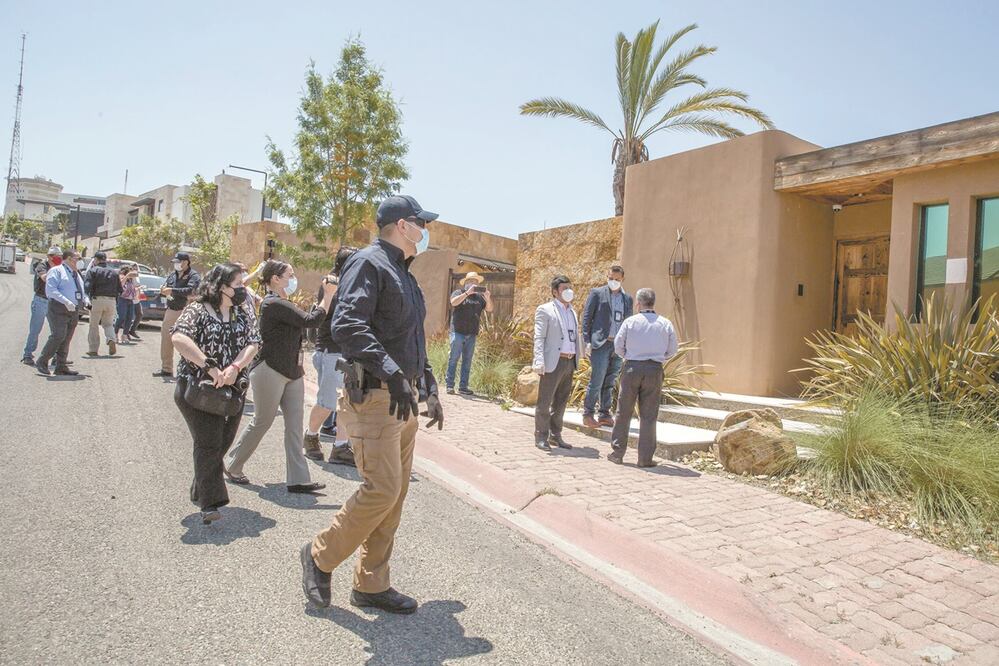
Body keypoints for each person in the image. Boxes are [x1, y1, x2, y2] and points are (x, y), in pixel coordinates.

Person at [300, 194, 444, 613]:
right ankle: (318, 556)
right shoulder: (369, 263)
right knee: (380, 490)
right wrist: (393, 373)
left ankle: (371, 583)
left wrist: (428, 384)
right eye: (421, 222)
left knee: (393, 496)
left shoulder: (404, 274)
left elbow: (410, 339)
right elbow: (346, 324)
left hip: (404, 400)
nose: (425, 230)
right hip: (377, 397)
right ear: (403, 225)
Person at [223, 260, 332, 493]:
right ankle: (232, 465)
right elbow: (311, 320)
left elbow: (307, 323)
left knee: (294, 425)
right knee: (263, 420)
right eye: (289, 275)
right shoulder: (273, 303)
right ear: (275, 278)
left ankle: (298, 479)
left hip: (293, 371)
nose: (293, 279)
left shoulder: (283, 303)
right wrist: (328, 295)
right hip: (270, 370)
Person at [171, 263, 260, 524]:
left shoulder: (242, 312)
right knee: (208, 442)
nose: (243, 289)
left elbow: (254, 342)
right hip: (197, 389)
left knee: (222, 443)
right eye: (238, 285)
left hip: (232, 391)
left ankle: (201, 485)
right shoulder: (197, 309)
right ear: (222, 286)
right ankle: (210, 503)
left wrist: (234, 368)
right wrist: (210, 367)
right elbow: (179, 338)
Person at [608, 288, 678, 468]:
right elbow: (672, 350)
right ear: (653, 302)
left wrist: (629, 356)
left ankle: (617, 453)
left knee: (623, 411)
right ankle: (645, 458)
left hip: (632, 367)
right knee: (649, 415)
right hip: (654, 369)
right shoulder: (665, 323)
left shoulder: (630, 322)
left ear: (638, 303)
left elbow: (618, 346)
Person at [304, 246, 358, 465]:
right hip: (331, 351)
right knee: (328, 402)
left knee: (345, 402)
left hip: (344, 352)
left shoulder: (346, 282)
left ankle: (340, 447)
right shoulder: (333, 282)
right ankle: (310, 437)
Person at [532, 275, 584, 451]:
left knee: (561, 402)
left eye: (570, 287)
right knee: (545, 402)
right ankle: (541, 436)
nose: (568, 291)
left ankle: (556, 435)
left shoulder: (572, 311)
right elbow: (539, 337)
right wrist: (538, 360)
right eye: (564, 288)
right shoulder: (545, 310)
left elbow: (574, 336)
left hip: (569, 361)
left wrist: (580, 356)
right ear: (555, 292)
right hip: (553, 361)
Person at [580, 265, 633, 428]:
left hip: (617, 346)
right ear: (607, 277)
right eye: (611, 278)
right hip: (600, 344)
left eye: (617, 279)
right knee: (597, 379)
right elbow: (587, 318)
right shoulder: (597, 293)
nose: (613, 282)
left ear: (623, 279)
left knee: (610, 380)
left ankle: (604, 413)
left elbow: (628, 322)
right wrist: (587, 341)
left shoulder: (627, 299)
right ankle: (588, 414)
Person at [35, 249, 89, 376]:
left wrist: (86, 300)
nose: (80, 261)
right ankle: (42, 361)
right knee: (58, 335)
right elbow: (51, 290)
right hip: (58, 308)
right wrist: (66, 301)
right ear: (69, 259)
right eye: (78, 258)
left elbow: (81, 290)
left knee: (67, 338)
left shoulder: (77, 273)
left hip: (74, 310)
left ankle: (61, 365)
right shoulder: (56, 271)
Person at [445, 271, 493, 395]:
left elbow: (489, 309)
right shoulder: (458, 293)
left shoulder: (479, 298)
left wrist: (487, 298)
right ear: (465, 283)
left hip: (472, 333)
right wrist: (467, 293)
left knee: (467, 361)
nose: (473, 284)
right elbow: (453, 302)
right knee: (454, 359)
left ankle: (463, 387)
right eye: (471, 281)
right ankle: (449, 385)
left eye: (476, 282)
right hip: (457, 332)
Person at [155, 252, 201, 378]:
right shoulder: (172, 275)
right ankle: (166, 368)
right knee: (166, 338)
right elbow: (167, 287)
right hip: (171, 309)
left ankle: (190, 370)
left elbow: (191, 291)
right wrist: (164, 291)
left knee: (188, 340)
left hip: (186, 310)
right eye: (175, 262)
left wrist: (173, 291)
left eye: (178, 262)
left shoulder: (194, 276)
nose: (176, 265)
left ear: (186, 262)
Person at [21, 246, 61, 365]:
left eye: (59, 257)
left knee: (57, 331)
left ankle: (55, 356)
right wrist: (54, 270)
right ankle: (28, 354)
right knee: (35, 329)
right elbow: (44, 278)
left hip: (54, 301)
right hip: (41, 300)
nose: (58, 259)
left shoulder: (60, 268)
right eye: (55, 257)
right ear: (49, 257)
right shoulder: (42, 265)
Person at [84, 251, 122, 357]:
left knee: (94, 325)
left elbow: (87, 286)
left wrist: (86, 299)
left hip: (97, 300)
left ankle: (93, 349)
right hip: (111, 301)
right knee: (108, 324)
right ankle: (111, 339)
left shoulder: (93, 271)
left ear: (96, 260)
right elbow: (120, 289)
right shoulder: (114, 272)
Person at [114, 265, 138, 344]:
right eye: (130, 271)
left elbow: (135, 286)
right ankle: (115, 334)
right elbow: (120, 285)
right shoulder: (121, 276)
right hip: (122, 299)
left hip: (130, 300)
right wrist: (127, 276)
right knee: (121, 317)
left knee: (129, 318)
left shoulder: (131, 280)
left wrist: (133, 277)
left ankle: (124, 335)